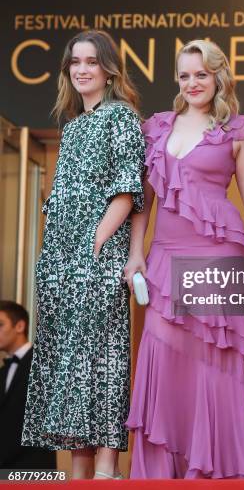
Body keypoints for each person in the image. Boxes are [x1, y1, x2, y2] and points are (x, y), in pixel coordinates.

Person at [124, 39, 244, 479]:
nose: (192, 83)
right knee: (164, 358)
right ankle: (164, 475)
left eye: (201, 74)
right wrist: (136, 253)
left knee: (218, 368)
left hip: (219, 258)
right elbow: (145, 201)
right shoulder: (156, 127)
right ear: (177, 80)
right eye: (185, 75)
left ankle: (222, 474)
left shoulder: (240, 131)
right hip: (164, 257)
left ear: (218, 77)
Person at [21, 30, 145, 480]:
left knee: (100, 357)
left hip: (94, 259)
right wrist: (56, 252)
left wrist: (93, 244)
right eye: (75, 62)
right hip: (58, 262)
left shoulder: (120, 118)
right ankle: (79, 475)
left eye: (91, 61)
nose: (82, 69)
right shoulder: (72, 126)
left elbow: (128, 191)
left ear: (109, 68)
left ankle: (108, 472)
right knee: (69, 364)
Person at [0, 301, 56, 469]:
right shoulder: (3, 371)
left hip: (36, 467)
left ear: (19, 326)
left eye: (1, 325)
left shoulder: (43, 363)